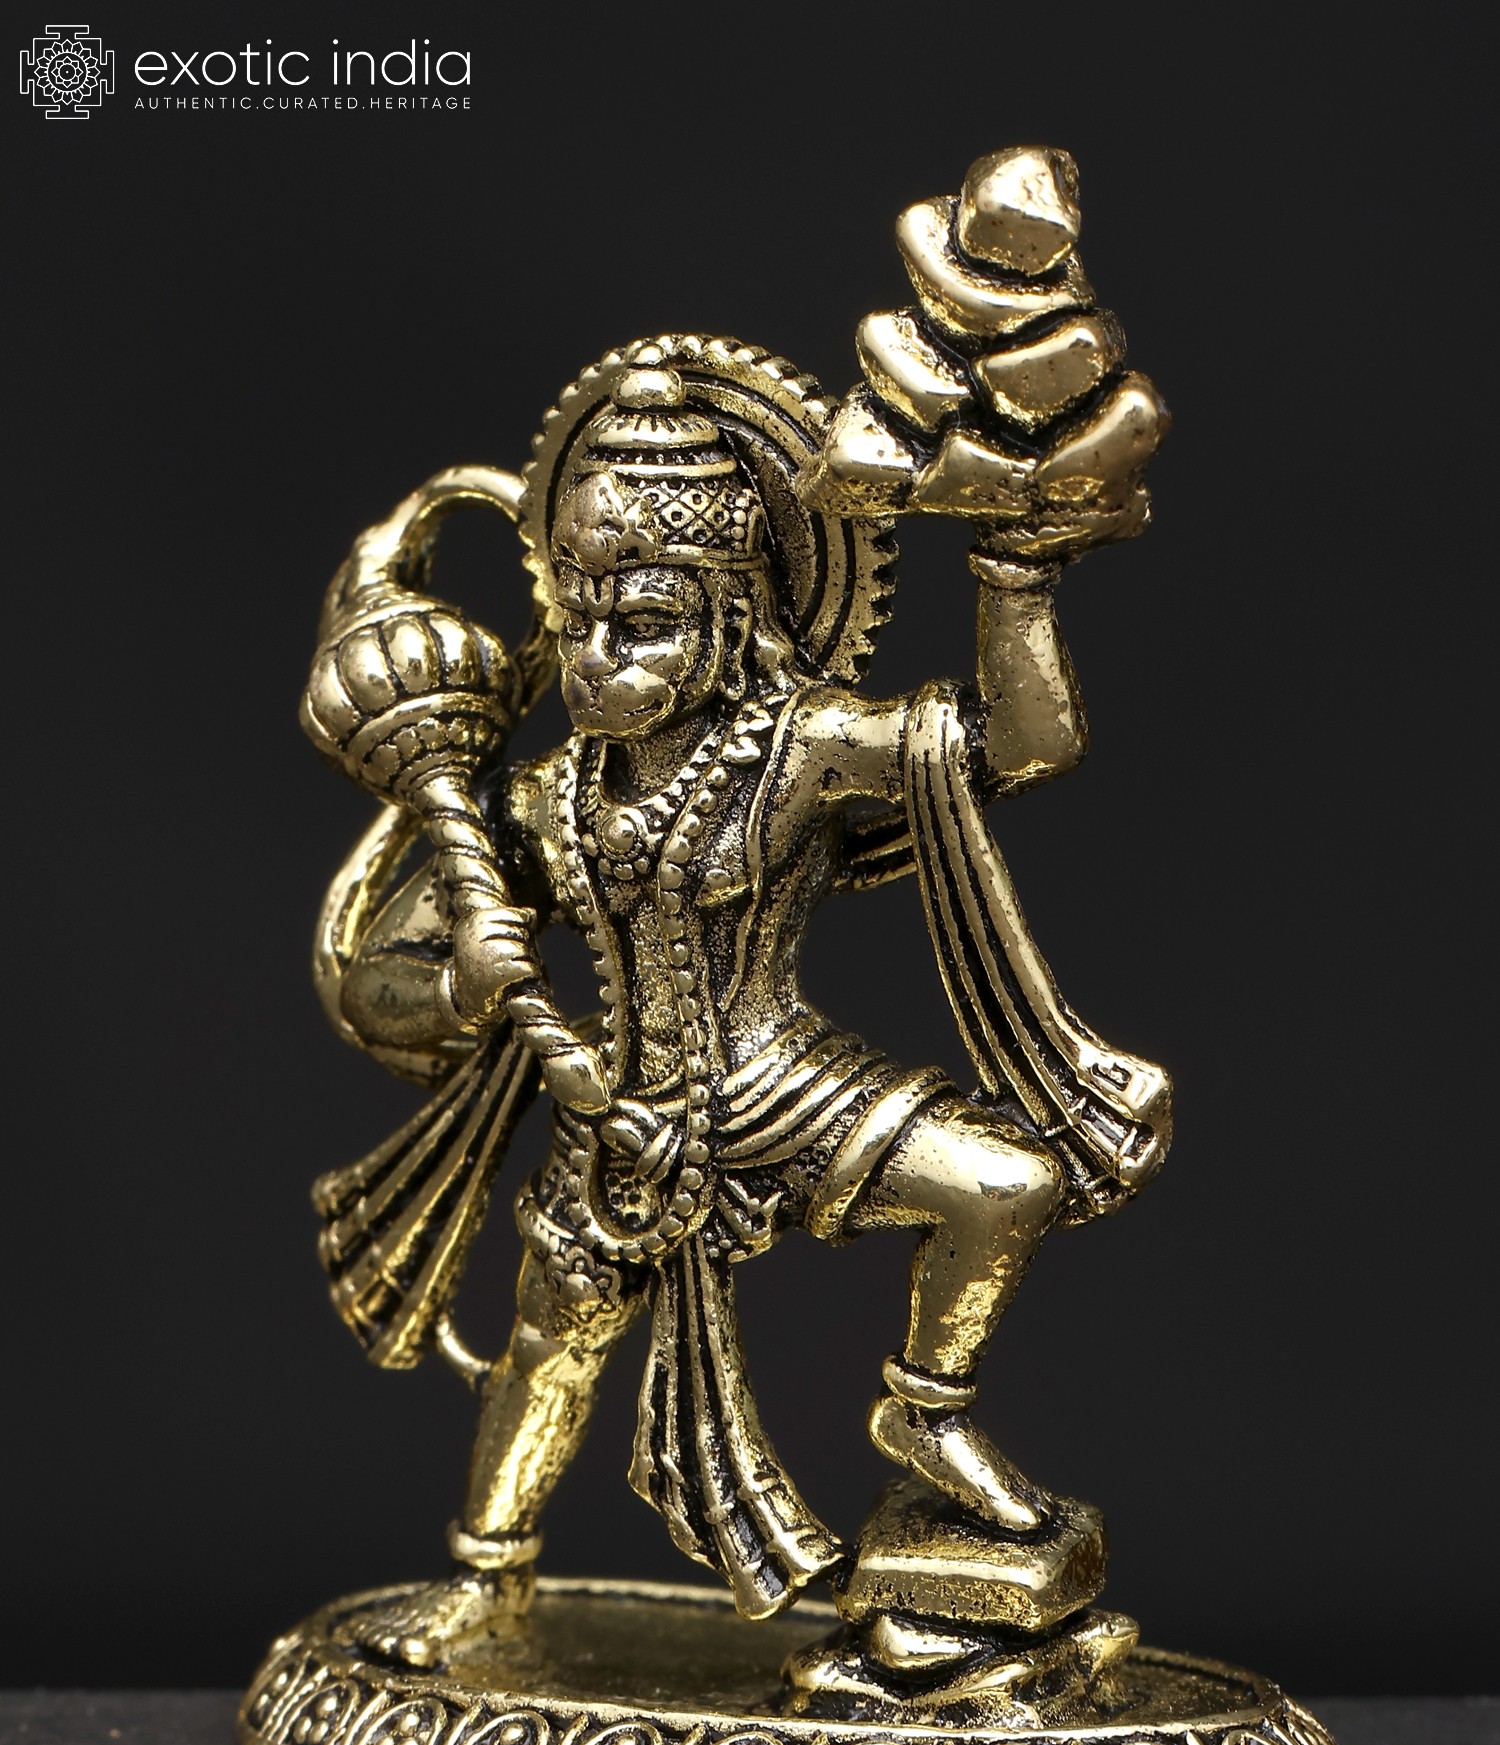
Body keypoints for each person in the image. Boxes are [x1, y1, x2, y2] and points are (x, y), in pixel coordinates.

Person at [321, 349, 1163, 1666]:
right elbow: (376, 983)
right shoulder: (543, 802)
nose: (598, 660)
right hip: (620, 1119)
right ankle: (487, 1581)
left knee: (1004, 1184)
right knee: (554, 1340)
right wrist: (459, 984)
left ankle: (926, 1410)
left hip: (780, 1081)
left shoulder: (800, 747)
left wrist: (1015, 575)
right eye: (578, 619)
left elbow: (1022, 743)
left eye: (645, 624)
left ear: (732, 617)